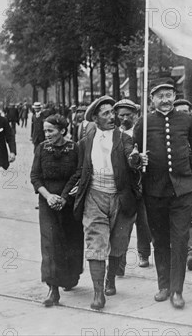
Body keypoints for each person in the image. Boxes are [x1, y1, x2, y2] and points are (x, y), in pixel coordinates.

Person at [133, 79, 192, 309]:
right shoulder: (143, 123)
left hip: (182, 191)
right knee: (160, 240)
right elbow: (134, 154)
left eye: (169, 95)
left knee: (180, 240)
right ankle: (163, 286)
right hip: (154, 191)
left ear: (174, 97)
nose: (165, 100)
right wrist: (138, 159)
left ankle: (177, 290)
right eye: (160, 96)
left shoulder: (187, 120)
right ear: (152, 99)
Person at [61, 96, 141, 310]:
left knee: (118, 243)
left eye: (112, 113)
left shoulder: (124, 138)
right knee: (96, 242)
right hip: (94, 197)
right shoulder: (85, 142)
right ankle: (98, 293)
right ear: (95, 118)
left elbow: (131, 158)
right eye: (105, 113)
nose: (112, 117)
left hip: (121, 198)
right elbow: (79, 170)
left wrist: (135, 161)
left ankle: (111, 279)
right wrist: (66, 192)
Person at [30, 114, 84, 307]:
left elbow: (79, 173)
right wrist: (49, 197)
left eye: (50, 130)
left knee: (71, 240)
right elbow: (35, 177)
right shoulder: (41, 149)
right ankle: (53, 289)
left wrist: (64, 197)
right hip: (47, 201)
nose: (46, 134)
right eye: (45, 130)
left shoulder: (75, 148)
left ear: (62, 130)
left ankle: (71, 276)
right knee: (50, 243)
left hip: (69, 201)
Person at [113, 98, 151, 270]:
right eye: (121, 115)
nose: (125, 118)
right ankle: (120, 259)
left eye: (128, 115)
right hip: (124, 184)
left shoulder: (142, 132)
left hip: (143, 182)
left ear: (136, 115)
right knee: (123, 223)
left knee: (143, 221)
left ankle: (144, 253)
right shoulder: (115, 134)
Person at [173, 99, 192, 270]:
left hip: (190, 182)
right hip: (170, 185)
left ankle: (191, 252)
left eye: (187, 111)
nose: (184, 115)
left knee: (191, 219)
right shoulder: (167, 133)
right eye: (180, 111)